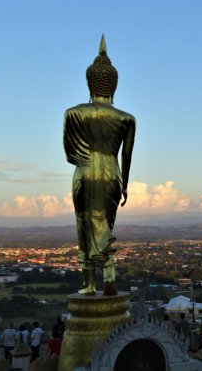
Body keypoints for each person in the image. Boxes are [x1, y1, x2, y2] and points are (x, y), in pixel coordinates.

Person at [64, 35, 136, 296]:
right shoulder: (127, 118)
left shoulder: (74, 113)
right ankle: (109, 275)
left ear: (90, 83)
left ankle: (88, 284)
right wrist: (125, 185)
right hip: (112, 173)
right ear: (113, 86)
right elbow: (126, 156)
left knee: (84, 223)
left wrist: (87, 159)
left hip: (84, 170)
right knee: (106, 223)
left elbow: (70, 152)